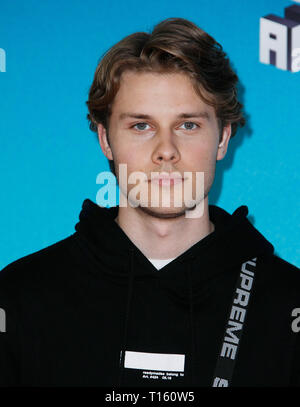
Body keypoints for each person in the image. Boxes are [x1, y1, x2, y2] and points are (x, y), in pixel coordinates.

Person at [0, 17, 299, 388]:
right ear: (105, 139)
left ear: (222, 139)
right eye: (141, 126)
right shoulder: (21, 297)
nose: (166, 151)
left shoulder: (287, 304)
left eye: (187, 125)